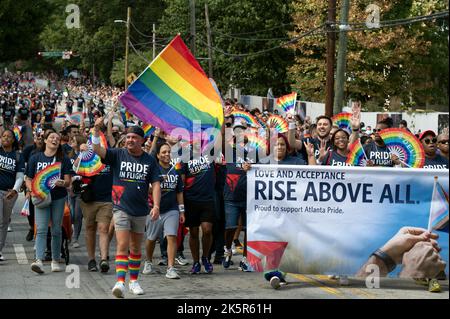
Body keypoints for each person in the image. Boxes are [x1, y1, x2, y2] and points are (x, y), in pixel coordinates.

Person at [92, 117, 161, 298]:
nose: (130, 140)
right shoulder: (117, 154)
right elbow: (97, 149)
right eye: (128, 137)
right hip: (120, 207)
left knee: (135, 248)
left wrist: (156, 206)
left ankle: (134, 282)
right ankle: (120, 283)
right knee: (122, 244)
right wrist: (95, 131)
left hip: (141, 209)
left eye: (134, 137)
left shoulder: (149, 161)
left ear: (142, 140)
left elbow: (155, 184)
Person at [25, 130, 72, 274]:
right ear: (45, 140)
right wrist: (33, 190)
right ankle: (38, 260)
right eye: (51, 137)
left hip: (58, 197)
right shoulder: (35, 158)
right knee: (41, 228)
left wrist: (62, 182)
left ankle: (55, 260)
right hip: (41, 197)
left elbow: (68, 181)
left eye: (57, 138)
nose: (55, 140)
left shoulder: (63, 159)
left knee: (56, 228)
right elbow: (28, 178)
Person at [142, 143, 185, 279]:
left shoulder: (175, 170)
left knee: (172, 236)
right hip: (154, 209)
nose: (167, 154)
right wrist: (157, 183)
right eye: (164, 152)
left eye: (168, 152)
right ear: (158, 155)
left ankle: (171, 268)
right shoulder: (153, 169)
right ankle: (148, 262)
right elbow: (146, 189)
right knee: (151, 238)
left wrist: (182, 211)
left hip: (172, 209)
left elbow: (179, 192)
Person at [0, 129, 25, 262]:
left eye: (9, 136)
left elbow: (20, 176)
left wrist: (15, 190)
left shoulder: (18, 156)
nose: (6, 138)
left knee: (4, 222)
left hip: (10, 193)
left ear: (13, 140)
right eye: (3, 136)